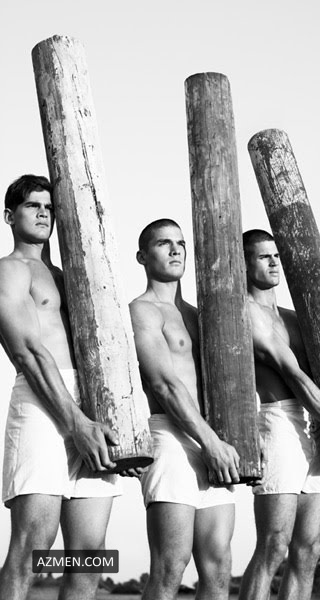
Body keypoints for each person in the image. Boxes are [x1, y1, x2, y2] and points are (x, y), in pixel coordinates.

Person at [0, 174, 122, 600]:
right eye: (33, 205)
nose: (43, 213)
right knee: (35, 547)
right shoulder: (10, 270)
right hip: (42, 403)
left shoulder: (73, 277)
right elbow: (28, 352)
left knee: (89, 557)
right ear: (9, 216)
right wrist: (75, 424)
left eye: (50, 207)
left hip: (90, 407)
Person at [239, 230, 320, 600]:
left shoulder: (294, 318)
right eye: (263, 256)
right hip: (280, 422)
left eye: (276, 256)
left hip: (314, 425)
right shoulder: (248, 313)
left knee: (309, 549)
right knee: (274, 544)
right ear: (244, 263)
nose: (274, 262)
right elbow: (295, 375)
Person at [129, 218, 240, 600]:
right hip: (172, 438)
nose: (176, 249)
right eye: (164, 243)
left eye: (180, 243)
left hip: (212, 442)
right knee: (170, 567)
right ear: (142, 256)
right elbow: (164, 384)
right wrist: (211, 443)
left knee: (218, 569)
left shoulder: (199, 315)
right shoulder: (142, 310)